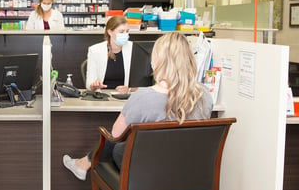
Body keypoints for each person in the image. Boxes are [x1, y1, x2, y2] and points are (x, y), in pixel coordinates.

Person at [63, 32, 214, 181]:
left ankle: (85, 164)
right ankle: (84, 164)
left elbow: (115, 135)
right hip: (188, 171)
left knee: (115, 146)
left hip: (147, 173)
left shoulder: (144, 97)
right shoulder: (205, 95)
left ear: (159, 61)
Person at [86, 15, 134, 94]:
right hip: (102, 96)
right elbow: (89, 83)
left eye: (127, 31)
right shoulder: (95, 50)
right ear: (110, 32)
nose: (125, 35)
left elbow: (140, 83)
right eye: (121, 32)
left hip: (125, 96)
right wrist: (94, 86)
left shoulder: (133, 48)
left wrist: (129, 89)